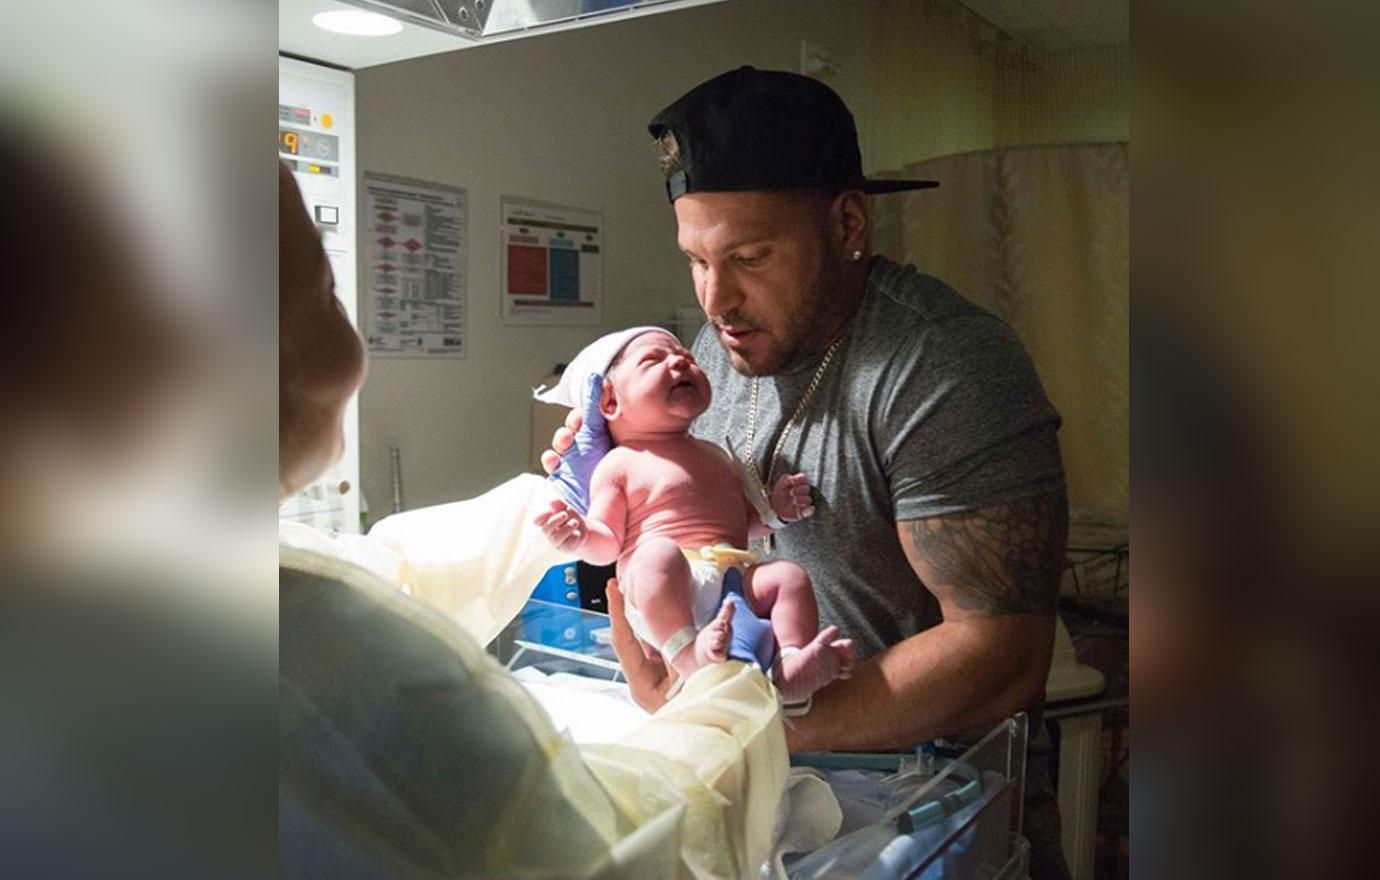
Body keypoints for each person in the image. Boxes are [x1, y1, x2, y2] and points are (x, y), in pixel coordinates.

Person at [545, 66, 1072, 880]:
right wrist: (585, 493)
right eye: (696, 260)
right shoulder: (714, 355)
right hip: (774, 804)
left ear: (848, 221)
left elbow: (1001, 650)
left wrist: (757, 720)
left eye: (750, 257)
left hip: (938, 820)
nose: (717, 300)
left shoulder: (943, 367)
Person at [277, 163, 789, 880]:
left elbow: (383, 575)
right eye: (328, 293)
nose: (712, 304)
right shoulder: (318, 659)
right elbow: (621, 847)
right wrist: (729, 688)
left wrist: (556, 505)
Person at [533, 327, 854, 704]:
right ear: (608, 401)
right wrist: (580, 533)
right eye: (654, 359)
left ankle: (790, 665)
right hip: (668, 593)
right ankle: (687, 655)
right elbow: (607, 544)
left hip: (734, 581)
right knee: (657, 554)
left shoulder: (716, 454)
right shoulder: (620, 464)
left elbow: (741, 523)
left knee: (788, 576)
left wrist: (775, 512)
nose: (680, 361)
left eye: (688, 358)